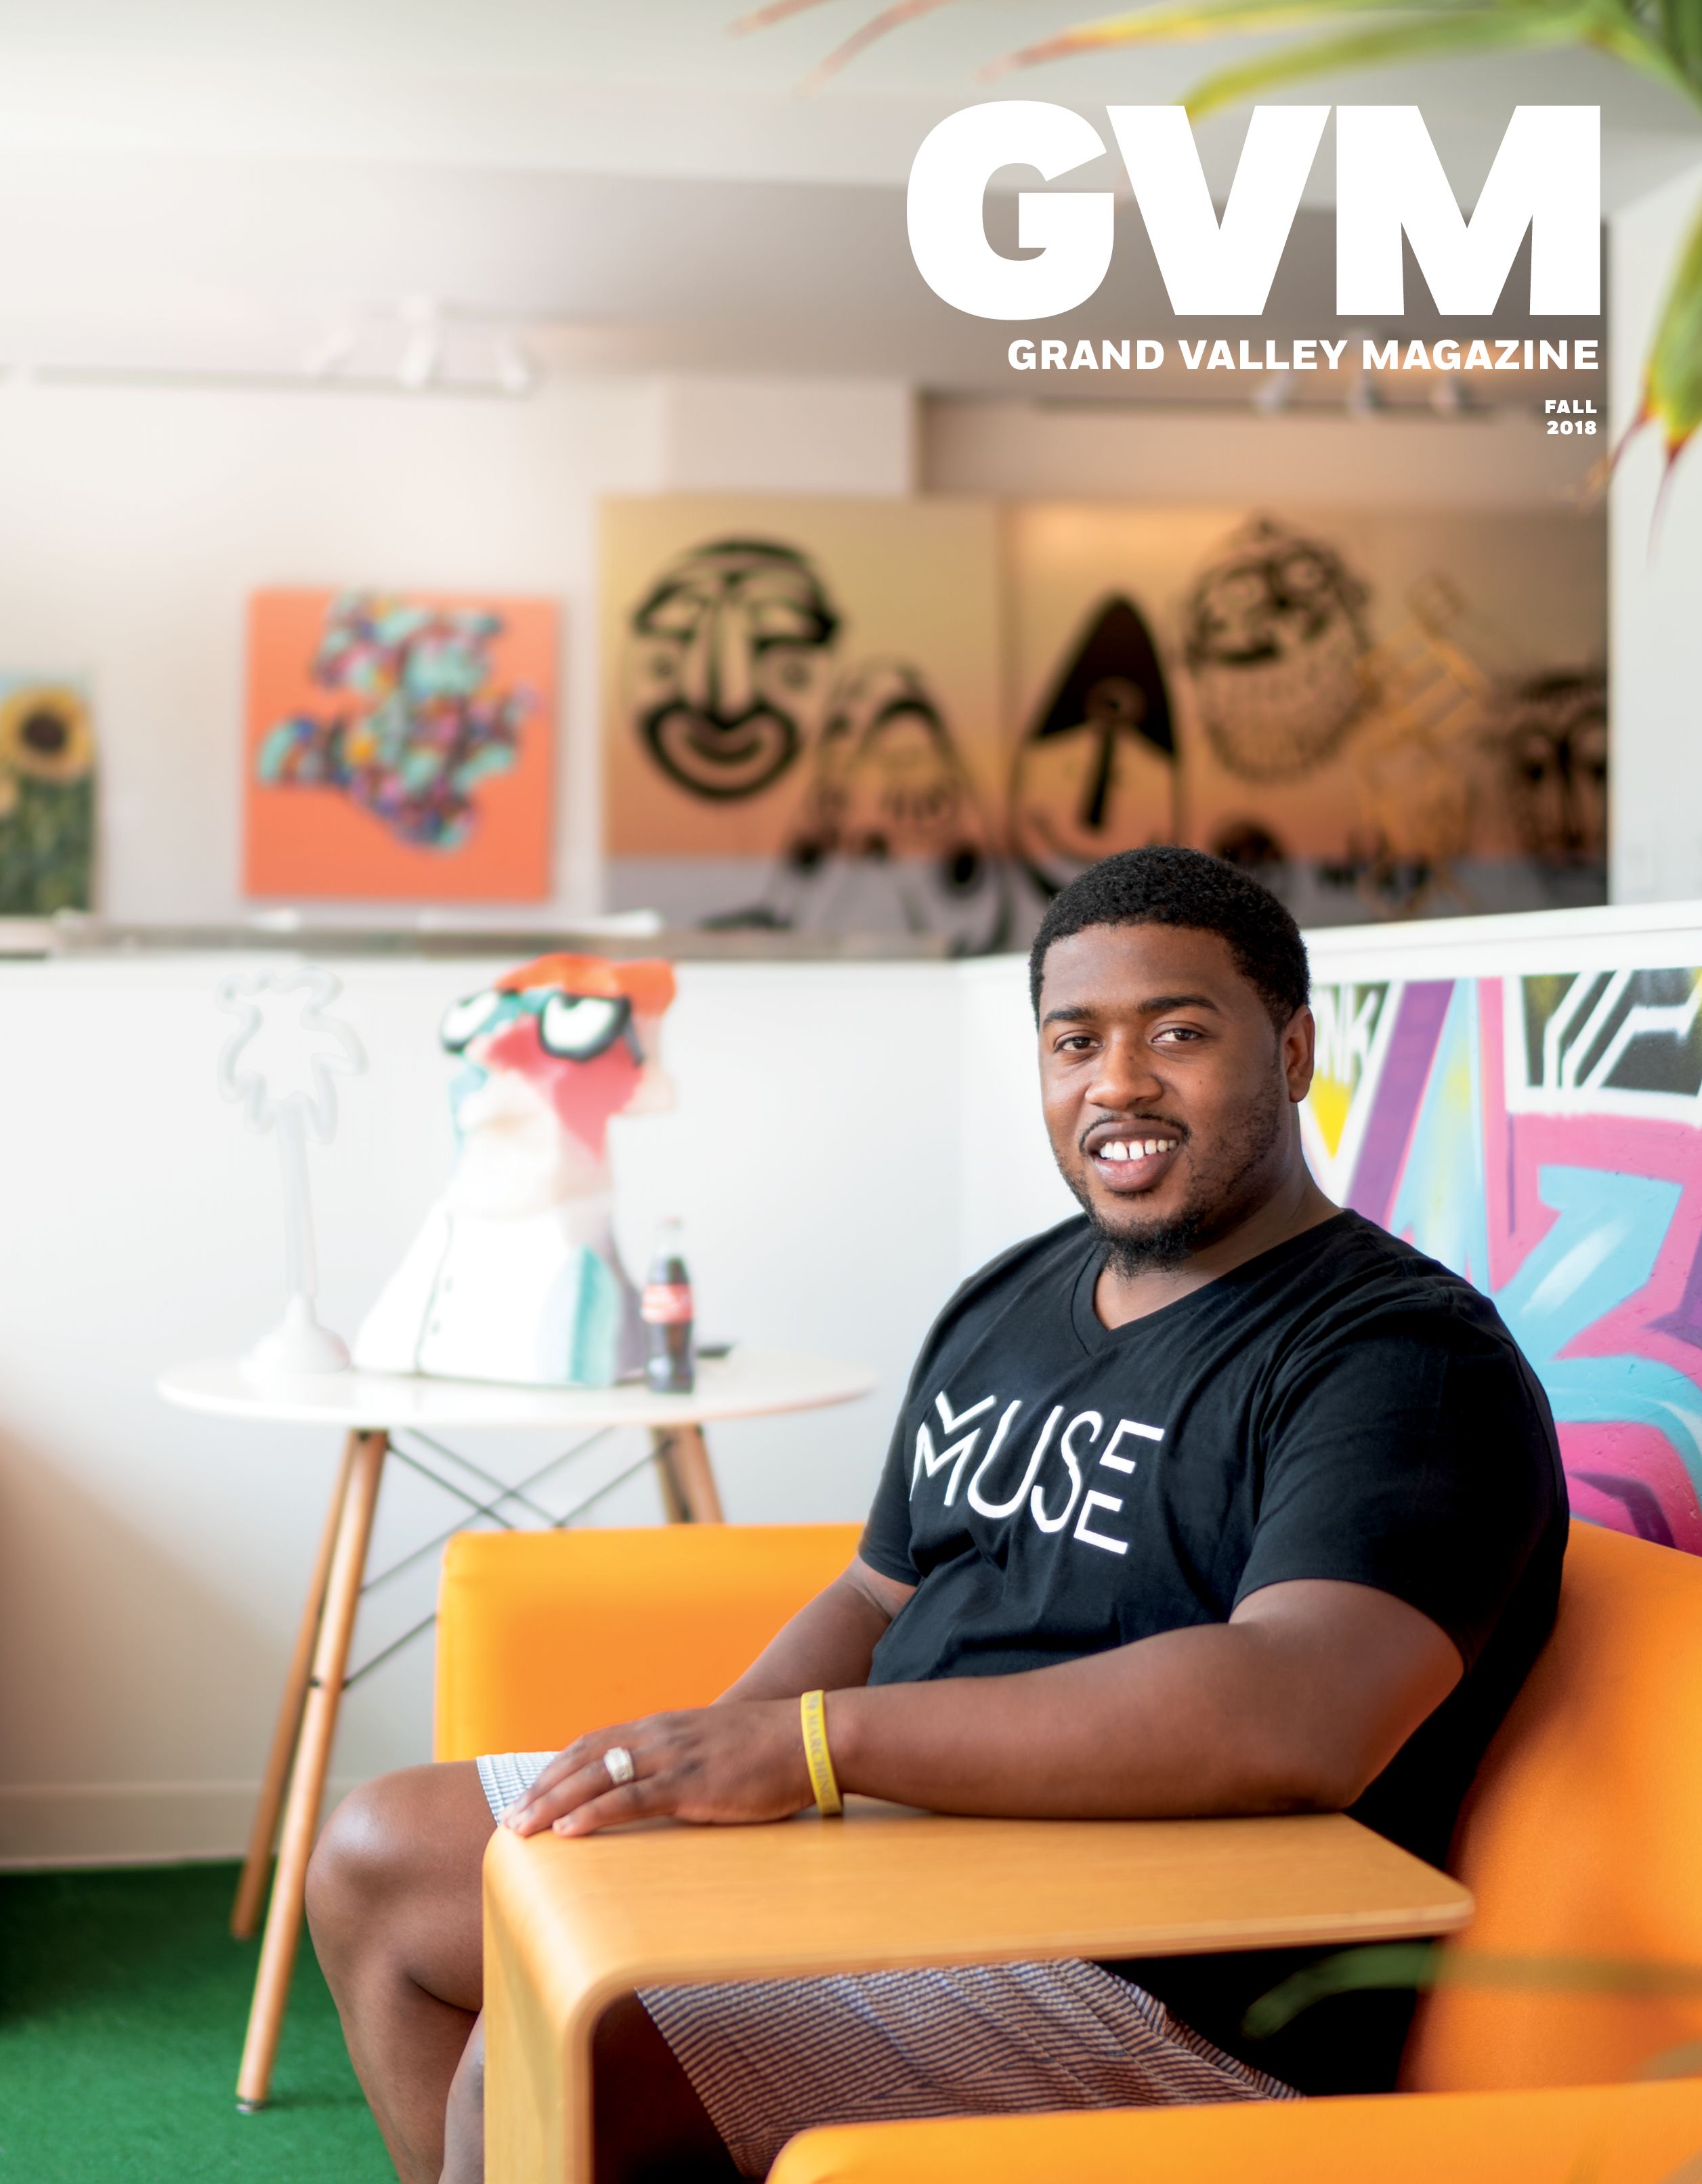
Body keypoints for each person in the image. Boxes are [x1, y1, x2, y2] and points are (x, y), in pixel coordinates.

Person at [306, 844, 1566, 2184]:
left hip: (1157, 1992)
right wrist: (709, 1768)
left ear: (1294, 1045)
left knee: (558, 2043)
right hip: (900, 1873)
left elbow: (1294, 1709)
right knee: (381, 1861)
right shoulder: (1009, 1299)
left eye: (1179, 1032)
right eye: (1074, 1039)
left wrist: (811, 1749)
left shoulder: (1404, 1357)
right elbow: (875, 1596)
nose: (1118, 1081)